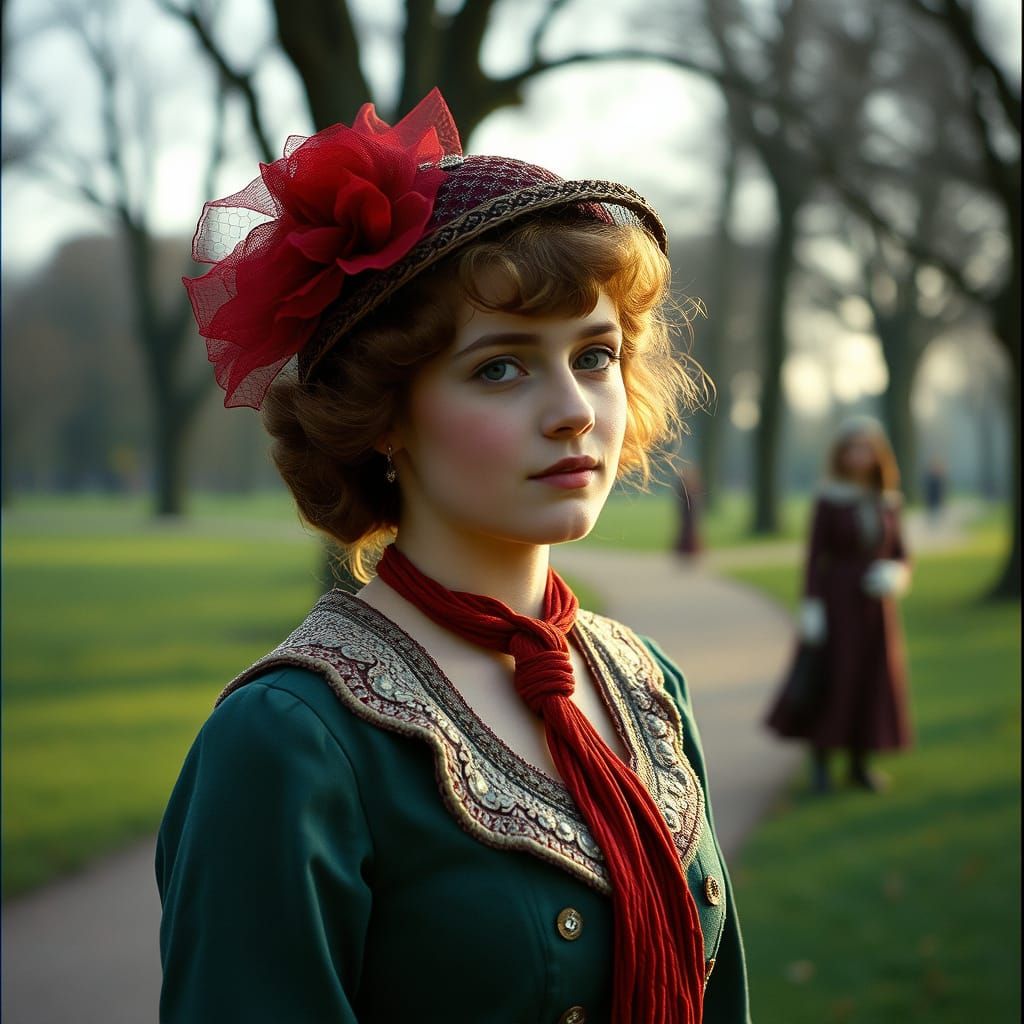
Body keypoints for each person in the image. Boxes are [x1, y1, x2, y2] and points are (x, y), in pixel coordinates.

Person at [157, 89, 750, 1024]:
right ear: (384, 418)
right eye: (500, 367)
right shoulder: (288, 744)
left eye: (595, 356)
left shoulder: (646, 686)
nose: (572, 410)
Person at [766, 416, 913, 794]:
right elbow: (816, 557)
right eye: (853, 448)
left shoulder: (888, 500)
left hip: (876, 609)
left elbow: (901, 553)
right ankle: (821, 766)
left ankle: (860, 765)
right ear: (841, 453)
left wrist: (896, 573)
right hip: (838, 604)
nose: (860, 455)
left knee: (870, 682)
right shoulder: (829, 498)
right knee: (834, 680)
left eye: (867, 448)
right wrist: (813, 607)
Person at [674, 464, 705, 557]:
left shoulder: (694, 486)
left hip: (691, 513)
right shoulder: (683, 488)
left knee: (691, 531)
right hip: (686, 513)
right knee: (686, 531)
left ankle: (691, 551)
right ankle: (685, 551)